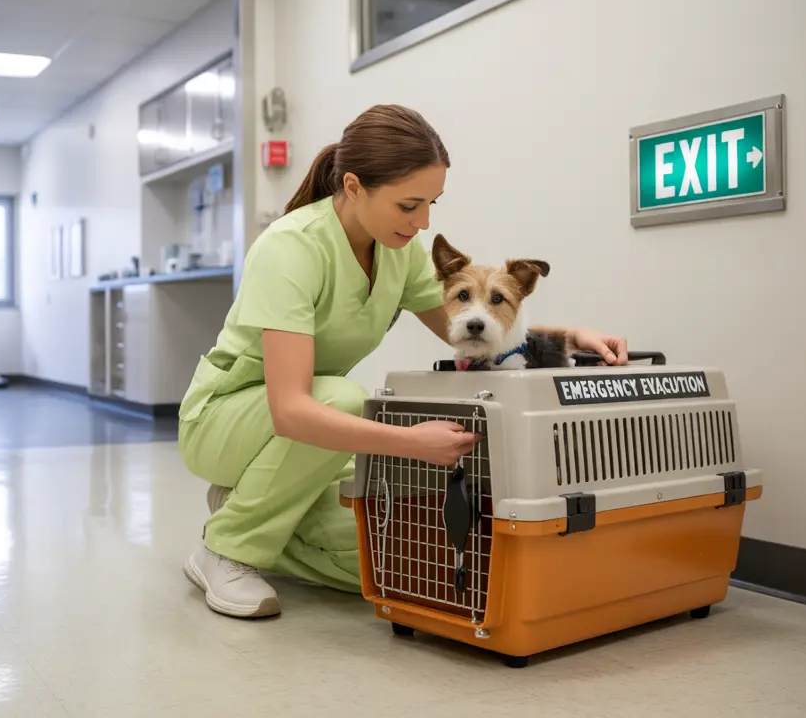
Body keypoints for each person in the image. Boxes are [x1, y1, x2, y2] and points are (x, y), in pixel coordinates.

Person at [177, 104, 628, 618]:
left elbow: (472, 331)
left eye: (432, 204)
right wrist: (412, 442)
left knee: (398, 547)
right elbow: (291, 410)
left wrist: (570, 337)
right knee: (346, 398)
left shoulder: (400, 251)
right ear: (353, 187)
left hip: (302, 439)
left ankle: (247, 510)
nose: (424, 222)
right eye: (410, 205)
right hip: (224, 420)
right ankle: (226, 548)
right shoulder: (290, 249)